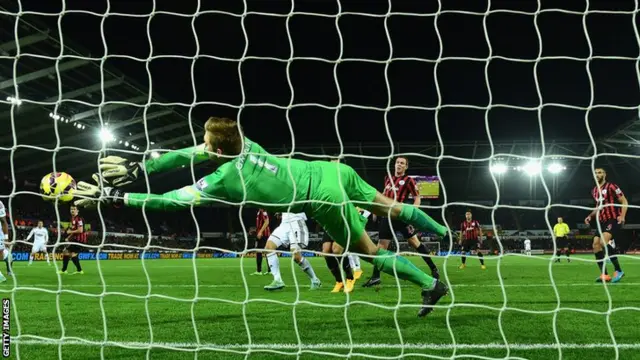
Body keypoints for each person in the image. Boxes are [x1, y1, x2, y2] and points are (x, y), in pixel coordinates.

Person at [74, 117, 449, 317]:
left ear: (218, 149)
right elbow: (183, 155)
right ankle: (441, 228)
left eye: (207, 143)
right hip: (331, 170)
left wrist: (117, 197)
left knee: (367, 250)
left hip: (320, 198)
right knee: (394, 206)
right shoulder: (243, 141)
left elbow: (171, 201)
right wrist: (141, 169)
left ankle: (431, 285)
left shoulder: (223, 182)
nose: (201, 146)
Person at [585, 168, 627, 283]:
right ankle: (605, 275)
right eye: (595, 173)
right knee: (595, 245)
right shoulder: (594, 190)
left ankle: (618, 270)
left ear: (604, 174)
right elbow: (599, 206)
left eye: (600, 172)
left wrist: (622, 216)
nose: (597, 174)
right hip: (601, 221)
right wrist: (590, 215)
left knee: (603, 242)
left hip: (612, 219)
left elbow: (624, 201)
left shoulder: (612, 186)